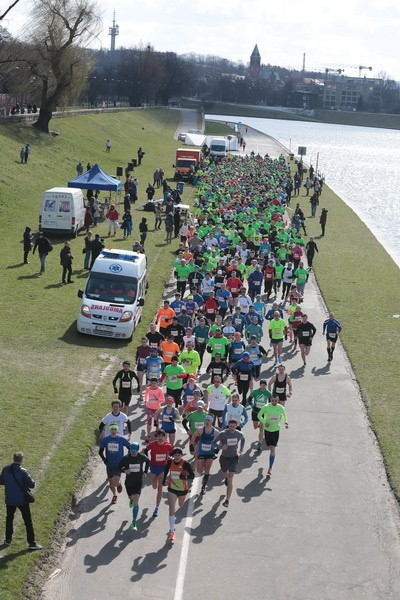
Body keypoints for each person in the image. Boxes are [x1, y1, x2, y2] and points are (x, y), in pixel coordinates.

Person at [0, 452, 42, 550]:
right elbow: (32, 485)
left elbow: (1, 481)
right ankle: (32, 543)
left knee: (9, 519)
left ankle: (8, 539)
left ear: (13, 458)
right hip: (22, 501)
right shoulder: (23, 471)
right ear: (21, 460)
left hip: (9, 500)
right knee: (28, 521)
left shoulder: (5, 469)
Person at [163, 448, 195, 542]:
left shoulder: (185, 464)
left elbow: (192, 476)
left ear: (181, 456)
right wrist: (164, 479)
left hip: (182, 489)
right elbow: (165, 471)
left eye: (178, 455)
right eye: (175, 455)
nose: (177, 457)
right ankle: (172, 531)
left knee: (181, 505)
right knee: (171, 509)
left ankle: (173, 519)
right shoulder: (170, 462)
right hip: (172, 488)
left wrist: (184, 477)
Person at [212, 419, 245, 508]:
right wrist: (221, 447)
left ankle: (227, 500)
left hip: (234, 458)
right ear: (228, 425)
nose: (232, 428)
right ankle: (226, 477)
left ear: (236, 426)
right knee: (225, 474)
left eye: (234, 427)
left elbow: (243, 439)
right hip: (224, 458)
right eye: (230, 426)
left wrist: (241, 450)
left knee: (230, 479)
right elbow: (213, 443)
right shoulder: (223, 434)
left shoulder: (239, 434)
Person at [118, 442, 150, 531]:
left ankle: (134, 522)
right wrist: (124, 470)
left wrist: (145, 472)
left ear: (137, 450)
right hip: (128, 483)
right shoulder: (125, 458)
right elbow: (119, 467)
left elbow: (148, 461)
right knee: (131, 497)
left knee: (136, 502)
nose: (133, 453)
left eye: (135, 451)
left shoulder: (141, 457)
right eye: (132, 451)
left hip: (138, 483)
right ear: (130, 451)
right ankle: (131, 500)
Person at [257, 395, 289, 478]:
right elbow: (259, 415)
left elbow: (284, 415)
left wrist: (286, 423)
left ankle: (270, 468)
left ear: (278, 400)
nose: (274, 402)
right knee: (269, 446)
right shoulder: (266, 407)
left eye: (276, 400)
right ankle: (261, 472)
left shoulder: (281, 407)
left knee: (272, 449)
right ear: (270, 399)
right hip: (267, 430)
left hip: (276, 430)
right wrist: (264, 422)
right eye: (273, 400)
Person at [99, 425, 130, 504]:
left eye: (115, 429)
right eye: (112, 429)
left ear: (117, 431)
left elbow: (130, 448)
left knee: (115, 481)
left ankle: (118, 484)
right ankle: (114, 495)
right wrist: (104, 459)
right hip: (109, 464)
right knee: (111, 483)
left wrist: (126, 459)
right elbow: (100, 451)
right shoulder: (106, 440)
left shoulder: (121, 439)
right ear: (110, 430)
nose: (113, 431)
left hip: (119, 464)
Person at [146, 429, 173, 517]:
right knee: (154, 486)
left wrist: (170, 457)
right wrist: (148, 458)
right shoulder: (152, 444)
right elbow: (145, 450)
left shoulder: (168, 445)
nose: (160, 438)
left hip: (162, 468)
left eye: (162, 436)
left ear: (165, 437)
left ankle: (157, 508)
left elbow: (171, 454)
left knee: (160, 488)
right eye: (158, 436)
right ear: (156, 437)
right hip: (154, 467)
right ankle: (155, 481)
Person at [192, 415, 219, 495]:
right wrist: (192, 445)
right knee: (200, 470)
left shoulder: (215, 431)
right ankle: (203, 469)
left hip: (210, 452)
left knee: (207, 470)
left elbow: (222, 439)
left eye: (208, 420)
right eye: (206, 420)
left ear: (211, 421)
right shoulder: (201, 430)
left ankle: (203, 487)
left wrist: (218, 448)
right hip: (201, 452)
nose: (207, 421)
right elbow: (194, 436)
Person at [249, 380, 271, 451]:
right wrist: (252, 406)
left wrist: (268, 409)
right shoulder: (255, 392)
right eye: (262, 385)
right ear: (260, 385)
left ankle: (260, 444)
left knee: (261, 429)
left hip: (263, 413)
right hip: (255, 411)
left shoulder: (268, 393)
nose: (263, 386)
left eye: (264, 385)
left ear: (266, 385)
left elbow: (270, 402)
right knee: (255, 427)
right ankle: (258, 424)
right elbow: (249, 400)